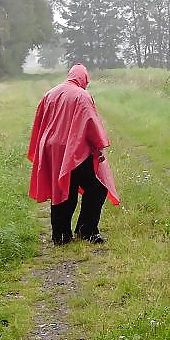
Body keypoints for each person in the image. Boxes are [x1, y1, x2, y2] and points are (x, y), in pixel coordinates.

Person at [28, 63, 119, 245]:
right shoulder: (82, 95)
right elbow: (90, 123)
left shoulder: (50, 93)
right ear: (83, 79)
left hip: (51, 148)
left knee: (62, 190)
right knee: (97, 189)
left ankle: (60, 237)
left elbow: (40, 122)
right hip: (73, 150)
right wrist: (98, 146)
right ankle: (87, 231)